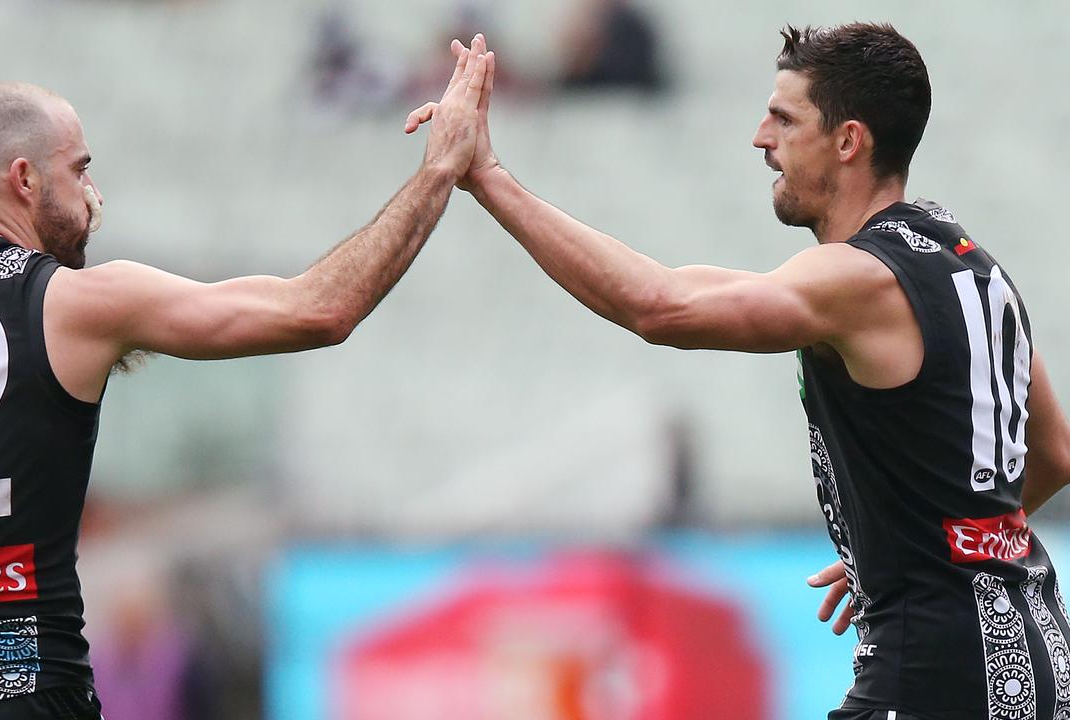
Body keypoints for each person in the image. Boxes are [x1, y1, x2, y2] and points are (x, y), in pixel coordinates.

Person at [0, 35, 494, 719]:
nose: (92, 191)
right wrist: (437, 170)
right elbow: (321, 309)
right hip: (21, 694)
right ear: (25, 179)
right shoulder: (73, 302)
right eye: (79, 168)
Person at [409, 23, 1070, 719]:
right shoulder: (976, 266)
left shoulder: (858, 279)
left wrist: (485, 176)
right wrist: (921, 538)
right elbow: (1054, 453)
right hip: (1037, 655)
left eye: (784, 119)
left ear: (848, 142)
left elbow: (659, 307)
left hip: (937, 674)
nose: (762, 139)